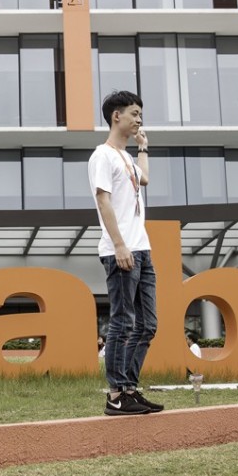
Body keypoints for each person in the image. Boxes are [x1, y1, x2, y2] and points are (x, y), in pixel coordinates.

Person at [88, 90, 161, 417]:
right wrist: (119, 244)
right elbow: (103, 200)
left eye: (140, 114)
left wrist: (143, 147)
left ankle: (130, 389)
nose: (139, 120)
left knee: (147, 325)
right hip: (121, 249)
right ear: (116, 116)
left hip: (142, 249)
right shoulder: (102, 155)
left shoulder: (126, 158)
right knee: (123, 322)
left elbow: (144, 179)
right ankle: (116, 395)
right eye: (134, 113)